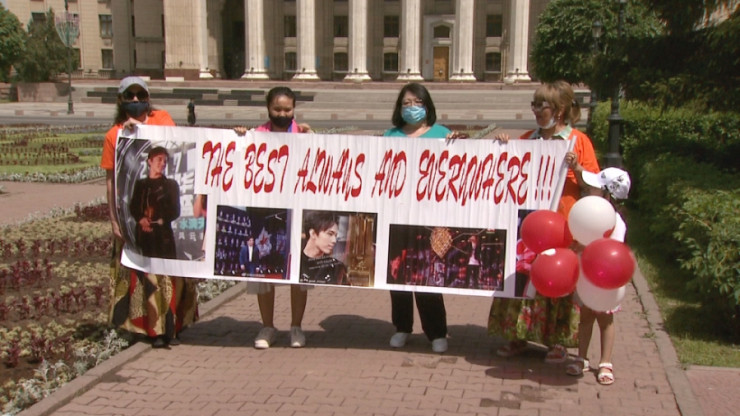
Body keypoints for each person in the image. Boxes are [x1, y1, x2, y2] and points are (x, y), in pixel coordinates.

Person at [488, 80, 600, 363]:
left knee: (558, 280)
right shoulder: (527, 139)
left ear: (559, 110)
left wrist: (577, 168)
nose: (537, 110)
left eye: (543, 105)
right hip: (528, 225)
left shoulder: (578, 141)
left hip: (563, 225)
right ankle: (518, 336)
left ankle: (558, 342)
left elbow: (595, 188)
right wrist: (503, 146)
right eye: (534, 105)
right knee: (524, 277)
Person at [102, 76, 198, 349]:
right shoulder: (114, 135)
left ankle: (172, 326)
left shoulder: (161, 118)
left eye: (140, 95)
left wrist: (141, 130)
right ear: (121, 100)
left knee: (169, 277)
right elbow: (112, 182)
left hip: (164, 233)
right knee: (142, 277)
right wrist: (115, 219)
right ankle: (148, 329)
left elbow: (173, 138)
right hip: (139, 230)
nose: (135, 100)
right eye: (130, 96)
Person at [383, 83, 467, 353]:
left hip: (431, 216)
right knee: (397, 273)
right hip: (397, 213)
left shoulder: (442, 134)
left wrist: (462, 144)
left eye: (417, 102)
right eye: (406, 103)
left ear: (427, 105)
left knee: (429, 275)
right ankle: (402, 327)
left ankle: (436, 332)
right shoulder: (390, 135)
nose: (412, 108)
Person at [235, 86, 311, 349]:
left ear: (294, 109)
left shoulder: (304, 135)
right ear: (268, 108)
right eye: (277, 109)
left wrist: (312, 139)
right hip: (263, 213)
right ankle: (267, 326)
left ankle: (296, 327)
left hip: (295, 211)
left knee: (296, 272)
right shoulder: (255, 136)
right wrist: (240, 138)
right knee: (264, 271)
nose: (282, 113)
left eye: (287, 109)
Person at [566, 167, 631, 385]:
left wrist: (585, 247)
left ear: (607, 194)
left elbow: (611, 248)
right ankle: (581, 357)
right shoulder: (589, 213)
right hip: (587, 276)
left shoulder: (616, 221)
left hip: (606, 278)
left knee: (605, 319)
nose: (588, 190)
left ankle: (605, 362)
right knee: (585, 318)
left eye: (594, 187)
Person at [129, 146, 180, 259]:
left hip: (163, 237)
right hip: (144, 237)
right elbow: (133, 207)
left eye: (165, 161)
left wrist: (157, 221)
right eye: (159, 159)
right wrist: (141, 219)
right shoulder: (141, 185)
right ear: (150, 161)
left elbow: (175, 211)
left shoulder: (171, 185)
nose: (163, 163)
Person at [299, 211, 348, 286]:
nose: (334, 240)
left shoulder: (337, 268)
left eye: (335, 236)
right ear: (313, 233)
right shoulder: (294, 263)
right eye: (330, 234)